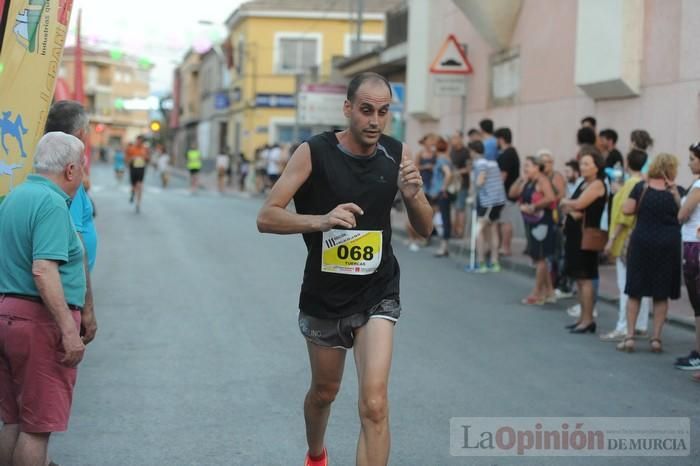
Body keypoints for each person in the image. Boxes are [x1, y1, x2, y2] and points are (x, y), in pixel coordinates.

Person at [256, 72, 432, 466]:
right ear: (348, 108)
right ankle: (316, 455)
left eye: (383, 112)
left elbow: (425, 228)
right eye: (366, 110)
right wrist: (321, 220)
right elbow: (267, 217)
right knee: (324, 392)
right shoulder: (313, 152)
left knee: (374, 403)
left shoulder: (397, 154)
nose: (374, 120)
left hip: (378, 292)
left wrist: (414, 197)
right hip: (325, 296)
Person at [0, 132, 96, 466]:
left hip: (8, 315)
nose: (83, 175)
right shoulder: (52, 203)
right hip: (37, 323)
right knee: (36, 428)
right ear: (71, 170)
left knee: (13, 420)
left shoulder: (14, 197)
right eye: (82, 167)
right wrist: (69, 333)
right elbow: (43, 269)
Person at [617, 153, 683, 353]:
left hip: (642, 242)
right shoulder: (677, 191)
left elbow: (627, 210)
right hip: (668, 245)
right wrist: (675, 195)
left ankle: (629, 337)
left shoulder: (641, 188)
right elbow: (683, 214)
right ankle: (656, 339)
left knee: (635, 290)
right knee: (661, 293)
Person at [600, 149, 651, 342]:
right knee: (642, 285)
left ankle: (623, 326)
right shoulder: (644, 184)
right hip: (641, 239)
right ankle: (641, 325)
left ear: (628, 163)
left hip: (626, 241)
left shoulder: (631, 184)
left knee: (625, 286)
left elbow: (624, 216)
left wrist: (611, 239)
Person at [559, 145, 608, 334]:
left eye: (587, 163)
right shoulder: (583, 183)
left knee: (586, 277)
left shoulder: (597, 184)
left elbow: (579, 204)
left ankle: (588, 320)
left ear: (597, 166)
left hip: (586, 237)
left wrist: (567, 203)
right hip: (574, 235)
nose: (583, 166)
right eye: (582, 163)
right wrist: (570, 206)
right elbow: (573, 207)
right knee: (579, 279)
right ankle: (582, 318)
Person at [510, 156, 557, 304]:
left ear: (537, 167)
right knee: (536, 256)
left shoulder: (542, 181)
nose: (525, 168)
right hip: (531, 223)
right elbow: (512, 194)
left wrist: (533, 207)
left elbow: (551, 198)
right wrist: (520, 179)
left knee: (540, 257)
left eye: (528, 166)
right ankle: (549, 292)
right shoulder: (528, 182)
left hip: (542, 223)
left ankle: (537, 293)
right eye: (524, 166)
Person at [676, 142, 700, 377]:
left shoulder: (699, 185)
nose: (689, 162)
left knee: (698, 304)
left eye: (693, 158)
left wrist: (681, 208)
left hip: (695, 246)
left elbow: (683, 215)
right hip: (693, 242)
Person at [469, 140, 506, 272]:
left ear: (473, 151)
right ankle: (494, 262)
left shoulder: (480, 163)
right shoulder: (493, 162)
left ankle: (481, 262)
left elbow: (480, 179)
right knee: (492, 229)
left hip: (488, 201)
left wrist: (473, 193)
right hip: (498, 200)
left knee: (478, 230)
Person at [495, 127, 520, 257]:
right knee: (503, 220)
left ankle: (505, 247)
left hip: (506, 193)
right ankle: (502, 246)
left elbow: (502, 176)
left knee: (505, 221)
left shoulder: (507, 154)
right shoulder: (511, 152)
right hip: (507, 192)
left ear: (501, 139)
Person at [429, 137, 454, 257]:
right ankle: (444, 246)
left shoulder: (441, 159)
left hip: (442, 193)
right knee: (442, 218)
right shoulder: (445, 158)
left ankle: (444, 247)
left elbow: (448, 174)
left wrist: (443, 188)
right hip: (441, 193)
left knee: (444, 219)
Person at [449, 130, 470, 238]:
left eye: (455, 137)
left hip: (462, 184)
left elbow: (469, 168)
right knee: (454, 208)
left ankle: (460, 231)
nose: (453, 140)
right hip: (452, 184)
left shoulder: (466, 152)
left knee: (460, 208)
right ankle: (455, 230)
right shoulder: (451, 151)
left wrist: (457, 172)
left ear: (461, 138)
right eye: (452, 138)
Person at [126, 136, 149, 212]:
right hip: (133, 168)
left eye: (140, 141)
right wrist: (132, 159)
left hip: (141, 169)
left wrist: (145, 157)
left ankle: (138, 204)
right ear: (136, 141)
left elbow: (148, 159)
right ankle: (132, 193)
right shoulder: (131, 149)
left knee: (139, 185)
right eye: (138, 141)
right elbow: (127, 159)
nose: (139, 142)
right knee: (133, 186)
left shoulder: (145, 149)